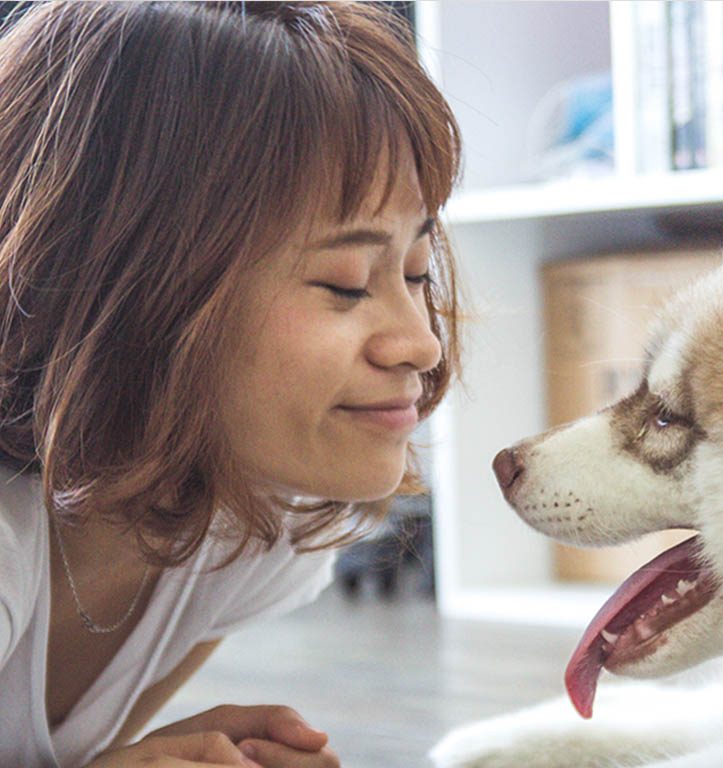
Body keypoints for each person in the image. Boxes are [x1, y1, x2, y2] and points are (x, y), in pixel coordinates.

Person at [0, 1, 462, 766]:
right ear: (136, 292)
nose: (420, 342)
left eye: (415, 272)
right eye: (345, 283)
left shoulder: (256, 519)